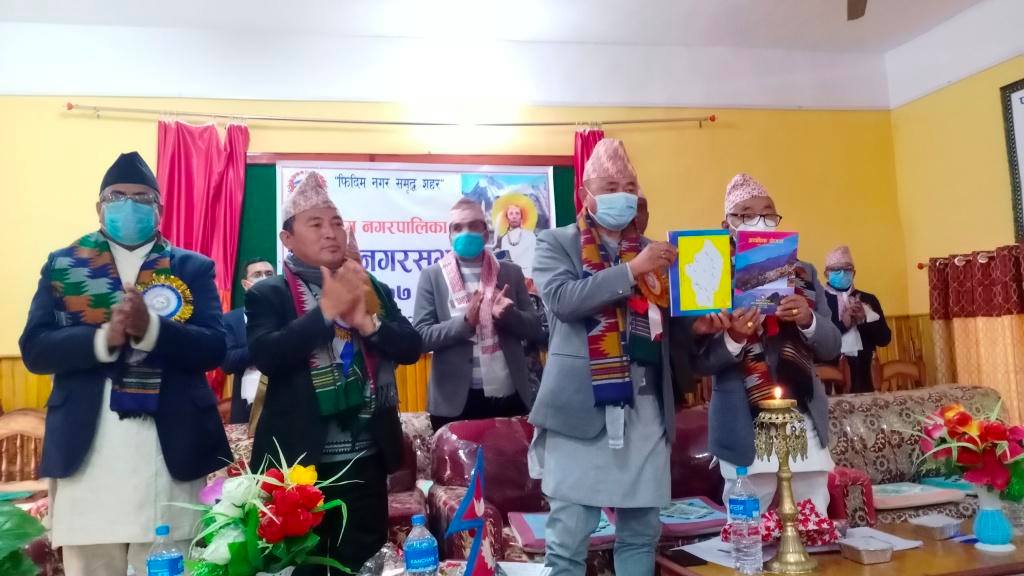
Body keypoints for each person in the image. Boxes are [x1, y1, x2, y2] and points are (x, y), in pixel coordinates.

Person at [19, 151, 232, 576]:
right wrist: (104, 338)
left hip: (169, 449)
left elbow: (214, 347)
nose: (128, 205)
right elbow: (35, 350)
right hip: (87, 454)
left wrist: (151, 330)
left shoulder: (191, 267)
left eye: (141, 197)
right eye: (117, 196)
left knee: (171, 563)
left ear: (159, 210)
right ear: (99, 208)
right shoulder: (64, 265)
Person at [246, 171, 422, 573]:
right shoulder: (269, 293)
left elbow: (411, 347)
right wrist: (326, 311)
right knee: (300, 569)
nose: (330, 232)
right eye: (316, 224)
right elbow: (268, 354)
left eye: (337, 223)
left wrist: (368, 324)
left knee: (363, 566)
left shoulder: (372, 288)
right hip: (297, 469)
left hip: (365, 463)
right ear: (287, 238)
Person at [529, 139, 686, 576]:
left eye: (630, 187)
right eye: (610, 186)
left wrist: (706, 325)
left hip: (646, 411)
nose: (622, 194)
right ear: (586, 195)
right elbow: (563, 300)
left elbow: (673, 327)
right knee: (567, 544)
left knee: (640, 537)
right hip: (580, 410)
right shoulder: (555, 242)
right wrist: (633, 270)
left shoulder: (657, 252)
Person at [690, 173, 841, 517]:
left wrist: (807, 319)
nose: (759, 220)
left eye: (768, 213)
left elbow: (832, 346)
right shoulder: (710, 274)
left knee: (812, 519)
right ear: (727, 225)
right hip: (742, 422)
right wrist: (734, 337)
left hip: (802, 420)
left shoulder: (804, 273)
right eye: (746, 214)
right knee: (746, 526)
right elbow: (698, 362)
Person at [414, 198, 545, 432]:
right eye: (458, 227)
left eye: (473, 225)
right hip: (454, 402)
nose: (465, 232)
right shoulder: (432, 276)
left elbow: (535, 328)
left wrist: (508, 316)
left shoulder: (511, 273)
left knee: (509, 457)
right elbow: (421, 337)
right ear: (450, 236)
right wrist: (465, 323)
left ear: (485, 233)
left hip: (509, 397)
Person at [823, 245, 891, 393]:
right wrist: (843, 324)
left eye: (847, 268)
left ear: (854, 273)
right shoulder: (818, 301)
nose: (842, 273)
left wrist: (865, 319)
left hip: (865, 374)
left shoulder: (868, 299)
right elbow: (817, 341)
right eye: (836, 269)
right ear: (826, 274)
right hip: (829, 377)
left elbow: (884, 339)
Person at [222, 257, 275, 424]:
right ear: (245, 284)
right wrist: (268, 345)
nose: (264, 278)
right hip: (246, 408)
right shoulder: (230, 320)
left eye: (269, 274)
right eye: (257, 275)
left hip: (288, 402)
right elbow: (227, 362)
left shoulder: (290, 312)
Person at [493, 194, 539, 277]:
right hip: (511, 276)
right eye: (511, 214)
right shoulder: (505, 239)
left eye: (517, 213)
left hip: (528, 276)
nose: (514, 216)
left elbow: (535, 259)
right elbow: (506, 262)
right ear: (507, 217)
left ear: (522, 217)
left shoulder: (530, 236)